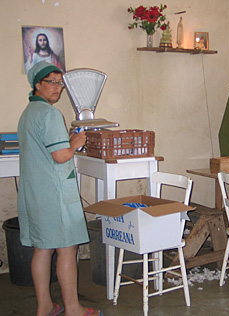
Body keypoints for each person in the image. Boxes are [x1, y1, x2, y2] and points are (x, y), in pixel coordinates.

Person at [17, 61, 103, 316]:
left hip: (35, 191)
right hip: (53, 194)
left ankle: (44, 306)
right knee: (67, 248)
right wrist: (75, 141)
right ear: (37, 85)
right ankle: (73, 309)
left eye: (60, 83)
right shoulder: (50, 114)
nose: (57, 88)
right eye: (51, 83)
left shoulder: (28, 114)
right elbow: (61, 156)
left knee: (43, 248)